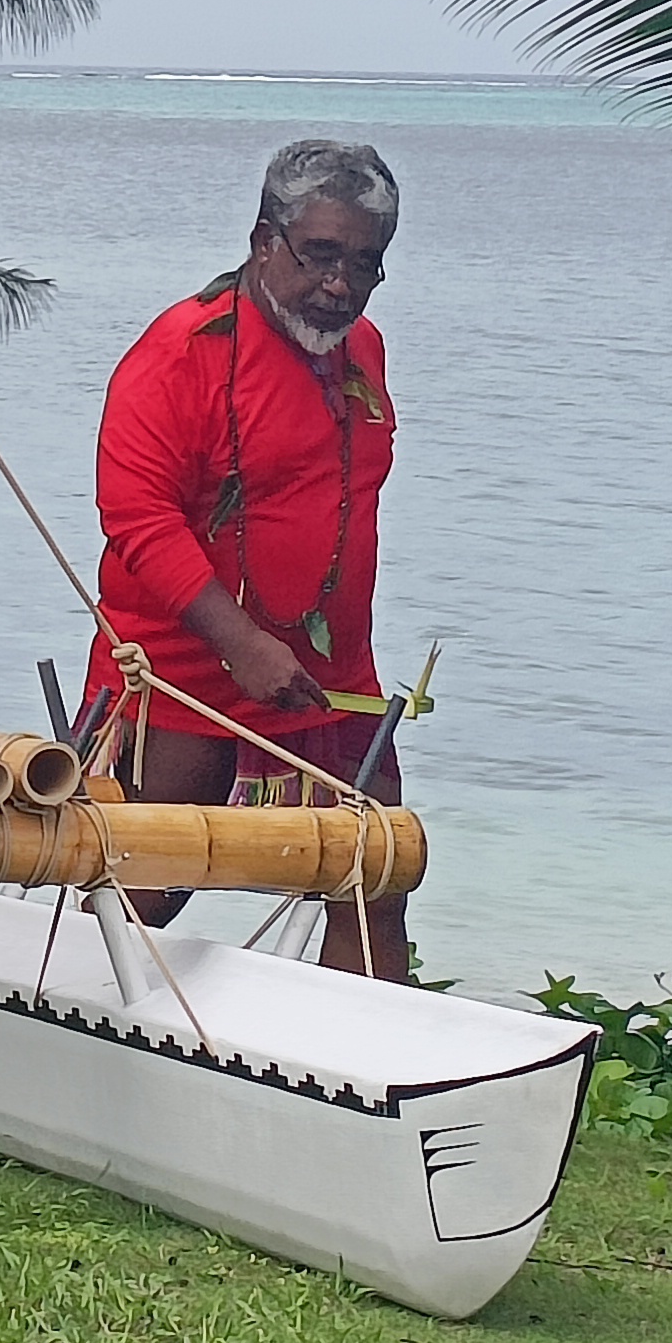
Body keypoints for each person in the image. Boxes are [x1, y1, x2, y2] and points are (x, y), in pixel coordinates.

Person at [80, 137, 411, 976]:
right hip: (184, 668)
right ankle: (68, 1035)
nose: (339, 285)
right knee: (149, 881)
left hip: (329, 672)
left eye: (365, 264)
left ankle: (369, 1063)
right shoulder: (181, 352)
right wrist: (242, 643)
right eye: (320, 256)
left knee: (375, 868)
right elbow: (137, 518)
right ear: (265, 241)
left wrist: (283, 650)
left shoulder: (360, 349)